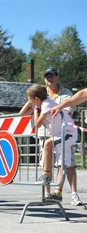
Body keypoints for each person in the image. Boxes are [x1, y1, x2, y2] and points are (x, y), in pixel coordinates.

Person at [19, 84, 77, 199]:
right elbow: (21, 113)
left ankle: (46, 174)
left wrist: (35, 109)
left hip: (68, 133)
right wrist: (31, 103)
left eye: (30, 99)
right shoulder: (41, 104)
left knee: (48, 143)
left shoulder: (46, 104)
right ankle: (58, 193)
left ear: (36, 99)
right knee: (63, 164)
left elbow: (37, 124)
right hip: (61, 134)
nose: (29, 101)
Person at [36, 68, 82, 206]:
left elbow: (67, 111)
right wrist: (33, 105)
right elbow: (29, 108)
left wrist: (52, 108)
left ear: (57, 77)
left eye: (52, 76)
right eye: (46, 77)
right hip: (46, 134)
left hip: (63, 133)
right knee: (47, 164)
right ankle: (48, 195)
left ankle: (74, 195)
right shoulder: (41, 94)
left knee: (68, 165)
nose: (49, 79)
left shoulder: (66, 93)